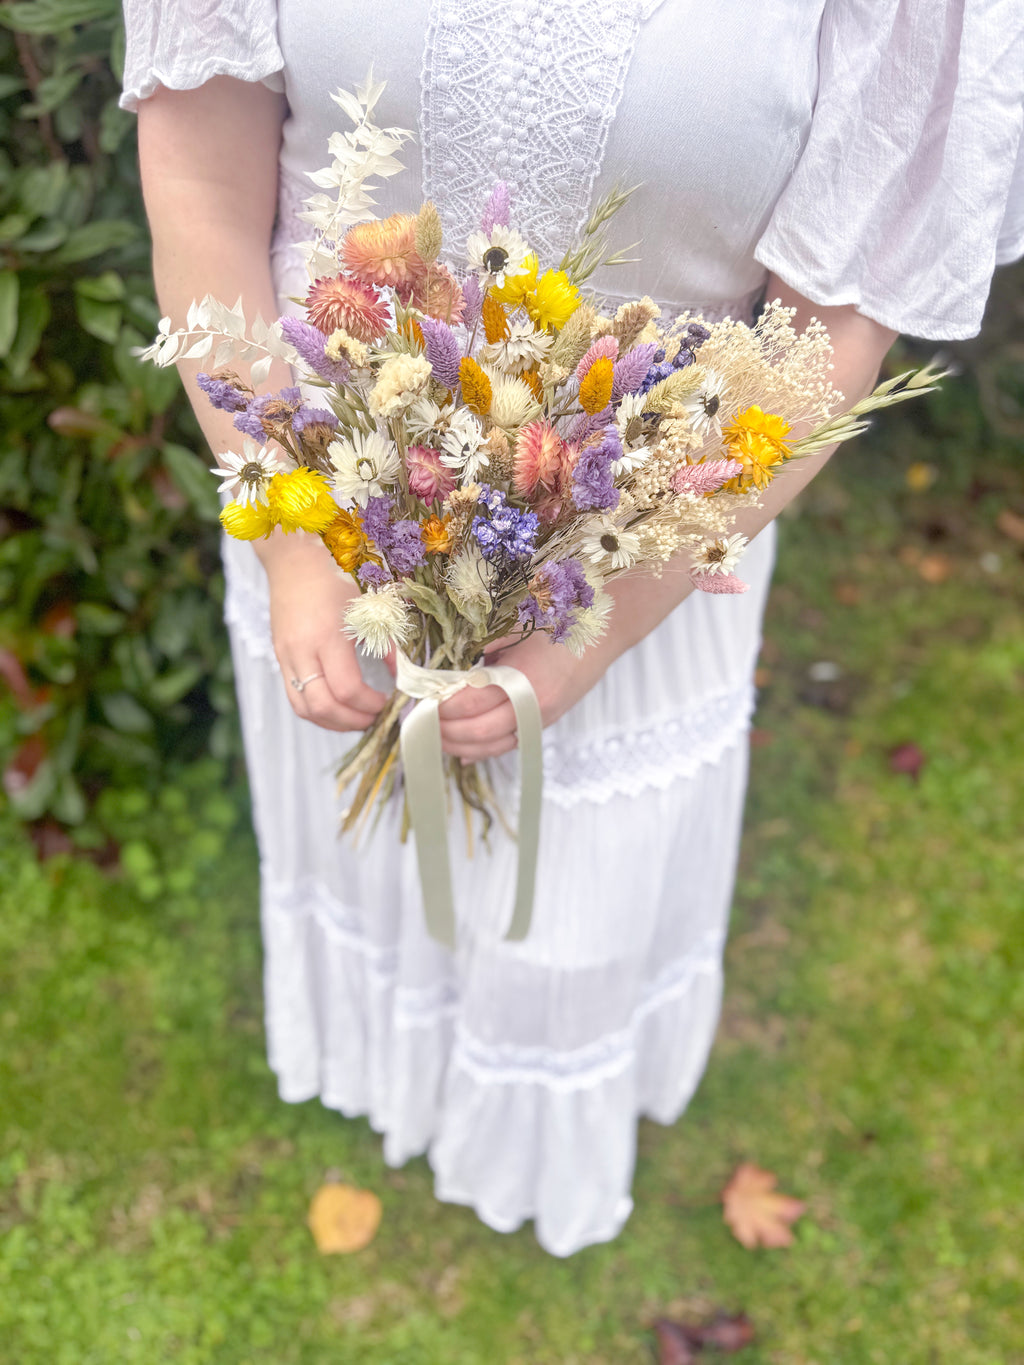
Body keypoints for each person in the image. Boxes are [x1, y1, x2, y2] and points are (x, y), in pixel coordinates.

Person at [119, 0, 1024, 1257]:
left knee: (572, 899)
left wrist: (589, 632)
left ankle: (539, 1125)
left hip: (651, 544)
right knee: (363, 832)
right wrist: (293, 533)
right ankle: (387, 1059)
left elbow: (833, 315)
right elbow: (205, 172)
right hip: (329, 503)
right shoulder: (307, 529)